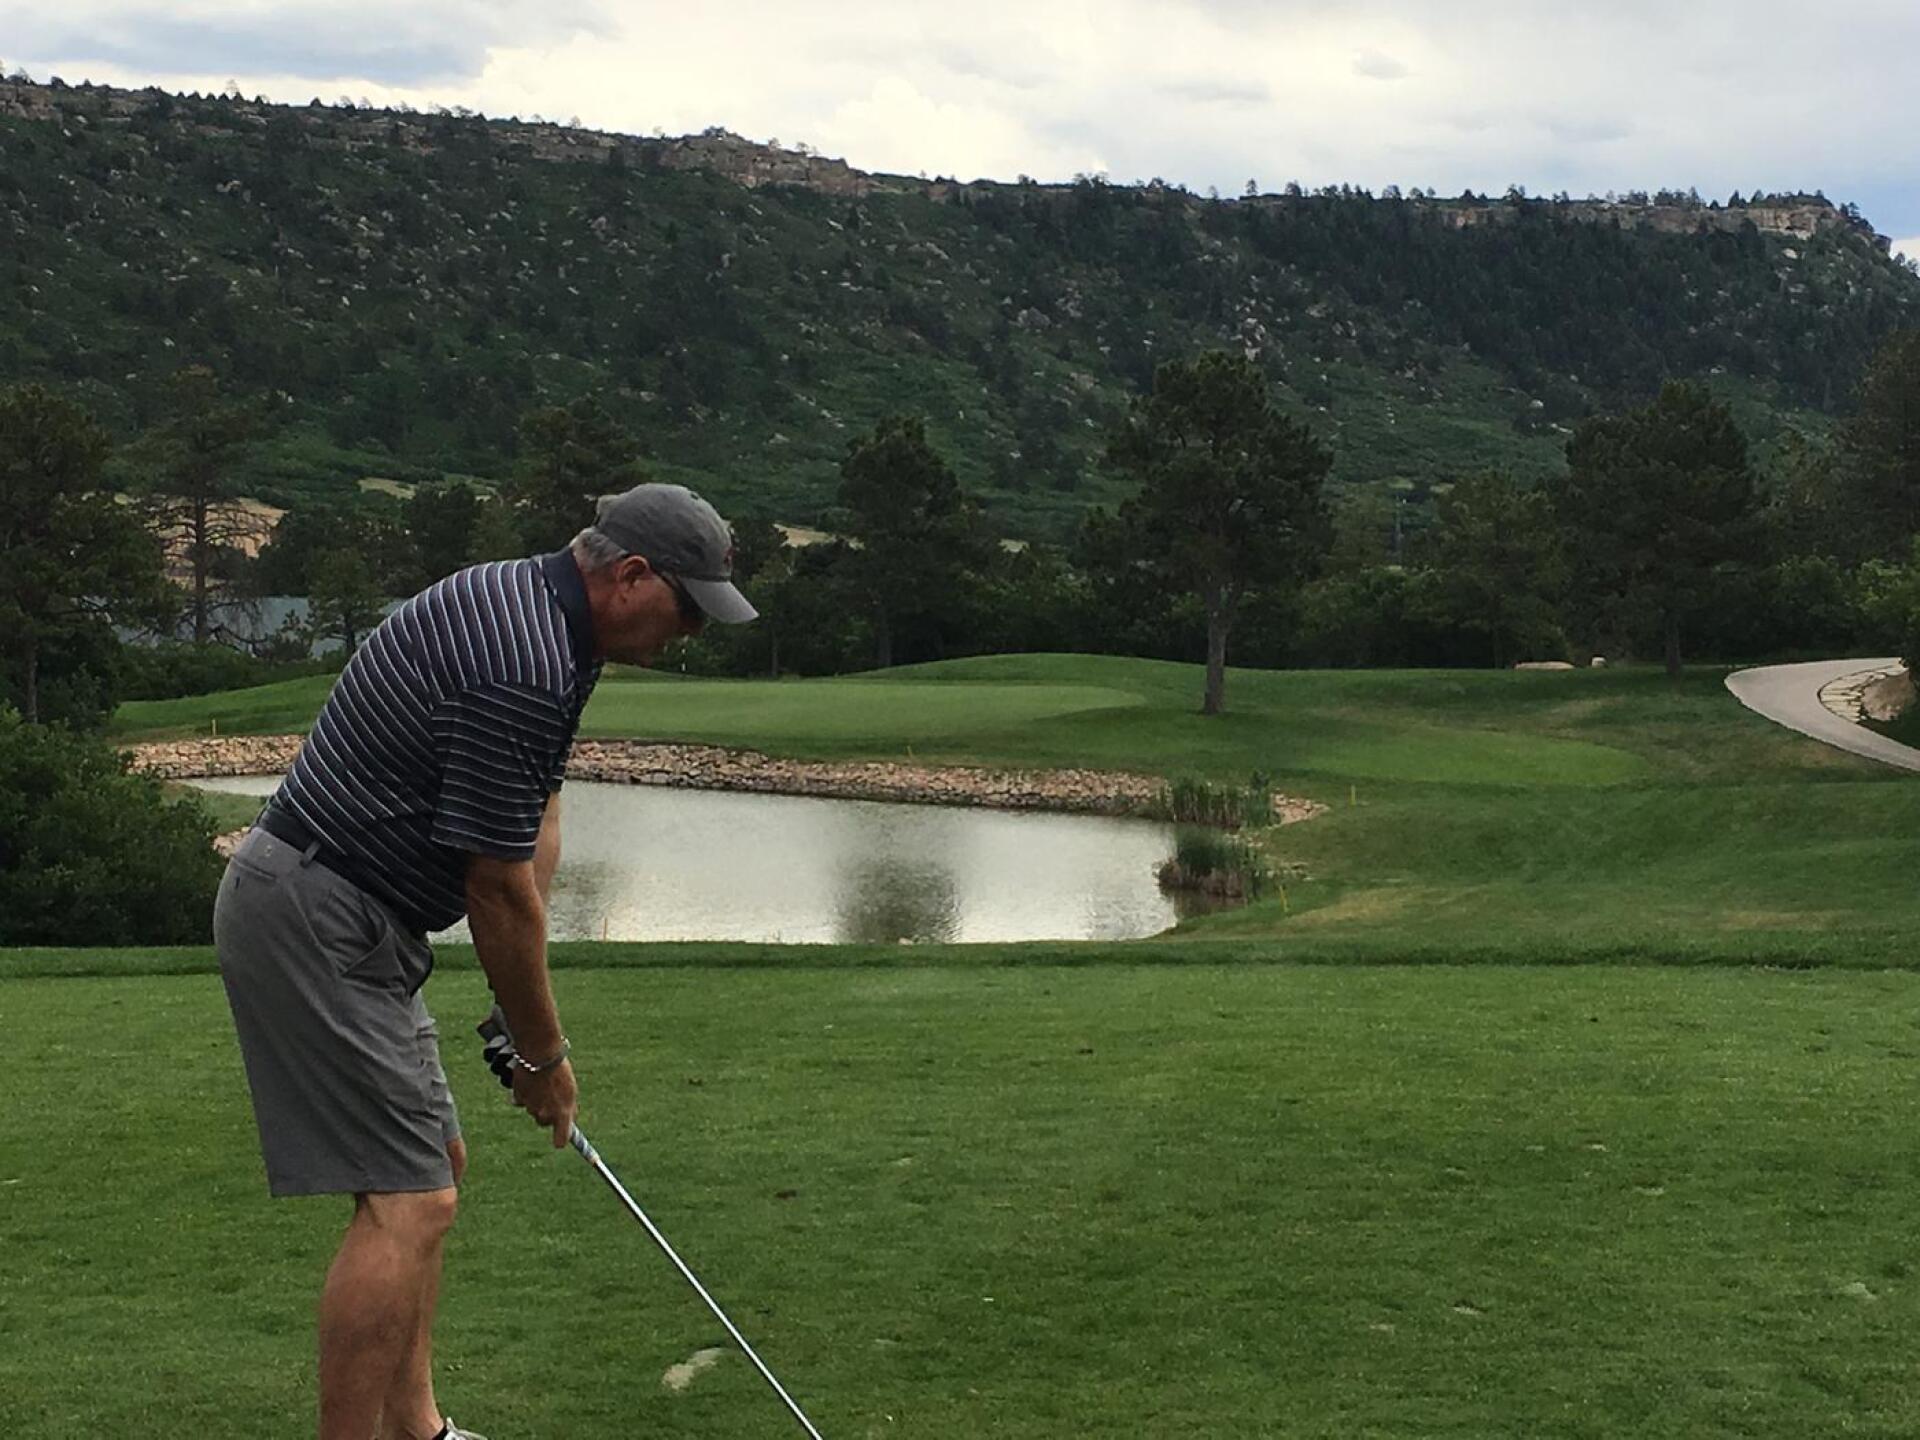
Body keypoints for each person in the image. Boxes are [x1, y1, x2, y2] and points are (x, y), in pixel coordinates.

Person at [214, 484, 757, 1440]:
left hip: (352, 912)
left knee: (435, 1167)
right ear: (630, 575)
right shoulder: (526, 661)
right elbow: (494, 888)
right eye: (687, 609)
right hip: (316, 906)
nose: (689, 636)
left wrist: (519, 1023)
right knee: (409, 1202)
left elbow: (534, 822)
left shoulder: (550, 624)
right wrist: (547, 1059)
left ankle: (418, 1429)